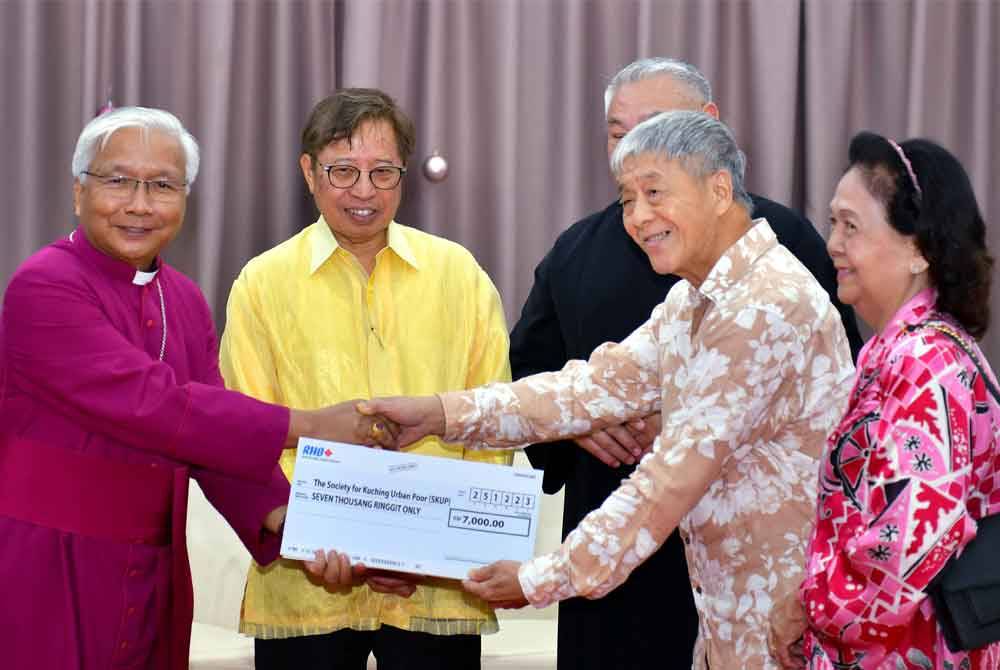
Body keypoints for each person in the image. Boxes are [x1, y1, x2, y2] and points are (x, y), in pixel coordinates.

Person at [352, 110, 856, 669]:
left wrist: (540, 578)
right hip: (729, 624)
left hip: (791, 630)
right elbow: (586, 390)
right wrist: (438, 414)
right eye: (627, 199)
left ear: (718, 190)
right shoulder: (694, 301)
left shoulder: (764, 306)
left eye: (654, 193)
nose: (637, 217)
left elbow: (669, 478)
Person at [0, 107, 397, 670]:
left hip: (153, 574)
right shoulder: (44, 284)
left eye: (163, 186)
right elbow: (154, 405)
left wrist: (303, 528)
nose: (140, 204)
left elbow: (215, 448)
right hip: (49, 567)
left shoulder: (183, 299)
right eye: (118, 181)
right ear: (78, 192)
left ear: (185, 198)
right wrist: (313, 424)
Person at [509, 57, 863, 670]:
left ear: (709, 128)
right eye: (618, 134)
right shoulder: (576, 250)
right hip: (610, 542)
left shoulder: (779, 245)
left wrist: (680, 418)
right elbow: (535, 372)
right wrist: (580, 428)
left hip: (745, 564)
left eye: (655, 126)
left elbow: (836, 399)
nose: (634, 147)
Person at [221, 88, 512, 670]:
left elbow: (493, 420)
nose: (364, 191)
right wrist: (312, 536)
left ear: (404, 176)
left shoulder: (457, 274)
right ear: (309, 172)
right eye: (343, 171)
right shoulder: (262, 283)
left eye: (383, 172)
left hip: (436, 585)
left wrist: (428, 550)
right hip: (306, 580)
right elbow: (247, 430)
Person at [784, 132, 1000, 669]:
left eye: (851, 226)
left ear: (918, 250)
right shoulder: (901, 352)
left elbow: (908, 545)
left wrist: (813, 607)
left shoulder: (925, 364)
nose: (832, 243)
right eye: (833, 223)